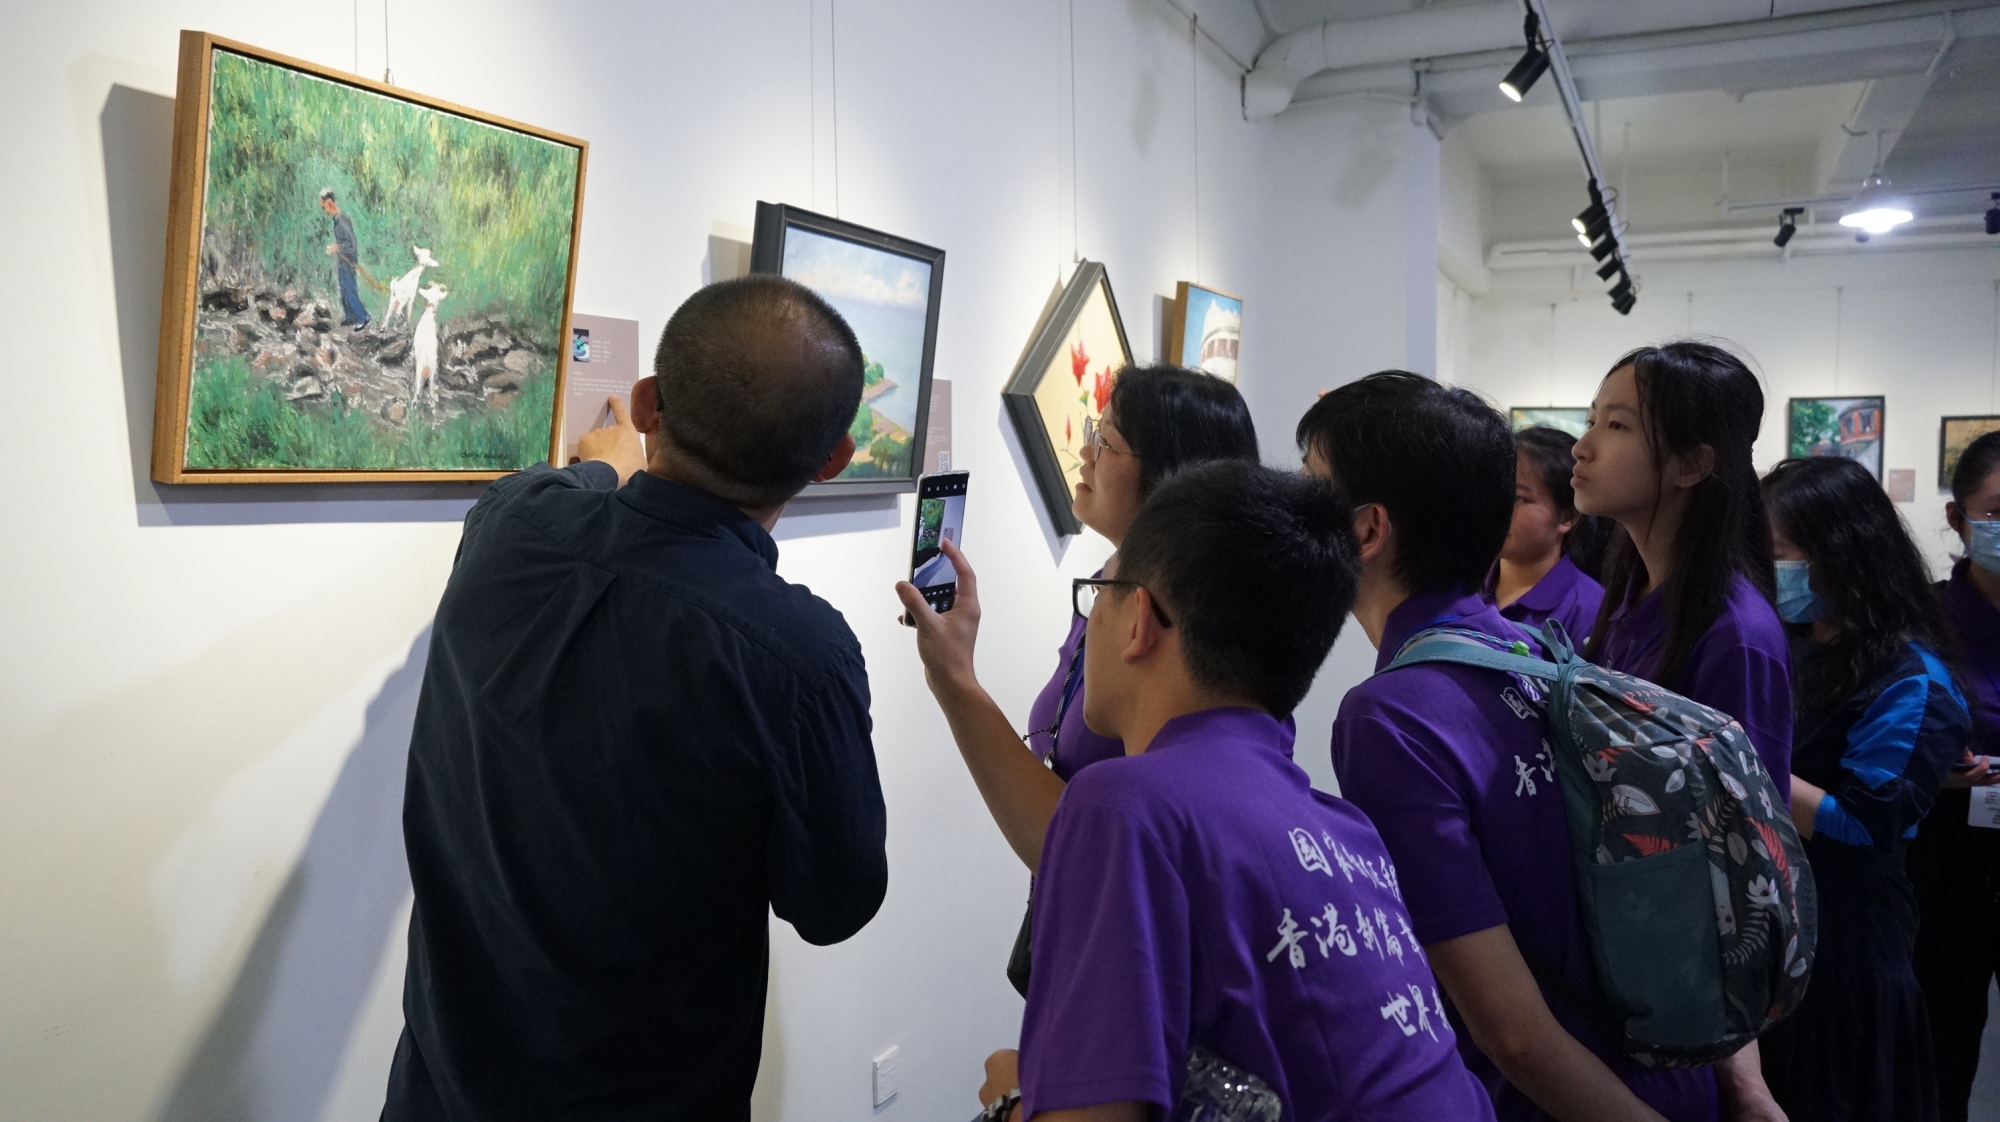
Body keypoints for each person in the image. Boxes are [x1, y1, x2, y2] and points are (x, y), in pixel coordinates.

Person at [383, 275, 888, 1121]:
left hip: (438, 1095)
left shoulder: (511, 529)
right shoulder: (800, 657)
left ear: (649, 401)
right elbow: (834, 906)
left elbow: (542, 490)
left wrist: (606, 467)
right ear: (832, 459)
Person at [915, 461, 1495, 1121]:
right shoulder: (1347, 831)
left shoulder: (1121, 805)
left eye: (1097, 594)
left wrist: (1013, 1100)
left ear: (1139, 620)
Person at [1302, 371, 1783, 1122]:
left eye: (1310, 487)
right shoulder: (1540, 651)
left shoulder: (1390, 716)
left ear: (1368, 530)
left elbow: (1516, 1037)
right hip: (1670, 1072)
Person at [898, 366, 1256, 874]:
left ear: (1173, 474)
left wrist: (953, 678)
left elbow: (1098, 855)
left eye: (1106, 443)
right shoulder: (1107, 585)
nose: (1086, 453)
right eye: (1093, 432)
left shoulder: (1192, 642)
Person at [1756, 455, 1969, 1121]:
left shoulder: (1913, 679)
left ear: (1841, 552)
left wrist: (1739, 757)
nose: (1767, 569)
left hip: (1846, 946)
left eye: (1780, 553)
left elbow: (1863, 827)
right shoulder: (1786, 644)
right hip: (1771, 926)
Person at [1574, 341, 1793, 786]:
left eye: (1616, 425)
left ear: (1691, 465)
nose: (1581, 447)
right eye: (1591, 421)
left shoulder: (1737, 637)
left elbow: (1746, 815)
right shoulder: (1633, 592)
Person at [1910, 428, 2000, 1122]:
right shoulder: (1923, 620)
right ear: (1957, 517)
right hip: (1945, 860)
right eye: (1997, 510)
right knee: (1944, 1046)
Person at [1486, 425, 1605, 642]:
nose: (1497, 507)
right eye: (1494, 491)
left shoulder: (1588, 609)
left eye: (1519, 498)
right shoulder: (1463, 587)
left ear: (1567, 517)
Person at [320, 188, 371, 330]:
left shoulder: (342, 221)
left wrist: (338, 248)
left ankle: (363, 316)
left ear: (330, 203)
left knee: (349, 289)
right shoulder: (337, 220)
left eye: (324, 207)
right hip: (342, 261)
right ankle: (350, 316)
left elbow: (352, 245)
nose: (325, 211)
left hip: (348, 261)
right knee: (343, 289)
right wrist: (337, 248)